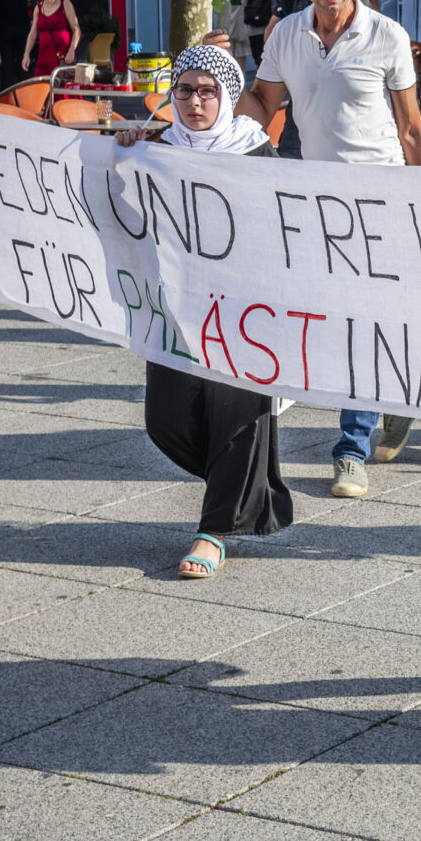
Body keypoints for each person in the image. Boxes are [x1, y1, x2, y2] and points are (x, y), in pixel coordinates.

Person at [236, 0, 421, 492]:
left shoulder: (386, 36)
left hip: (380, 198)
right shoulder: (286, 37)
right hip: (317, 201)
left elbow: (413, 130)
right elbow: (263, 104)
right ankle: (387, 398)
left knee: (363, 319)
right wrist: (217, 87)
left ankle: (351, 448)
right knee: (323, 316)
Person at [116, 45, 288, 578]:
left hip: (245, 313)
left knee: (237, 414)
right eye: (185, 90)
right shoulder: (157, 147)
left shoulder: (259, 155)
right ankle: (238, 484)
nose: (195, 101)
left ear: (229, 98)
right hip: (176, 310)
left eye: (208, 91)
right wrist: (121, 153)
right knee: (164, 419)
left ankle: (212, 531)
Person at [25, 0, 79, 78]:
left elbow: (77, 30)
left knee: (64, 90)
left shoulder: (65, 3)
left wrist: (71, 50)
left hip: (63, 56)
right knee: (43, 89)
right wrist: (26, 54)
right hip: (44, 57)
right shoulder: (38, 8)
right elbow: (32, 33)